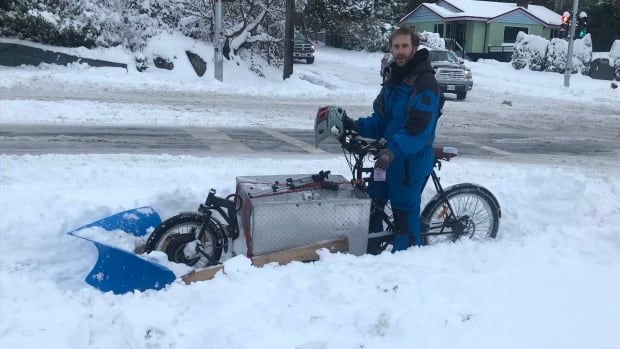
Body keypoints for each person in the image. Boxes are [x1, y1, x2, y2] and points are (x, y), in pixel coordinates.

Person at [343, 27, 443, 252]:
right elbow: (381, 120)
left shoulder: (425, 82)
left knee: (404, 218)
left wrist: (394, 148)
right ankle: (371, 250)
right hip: (387, 159)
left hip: (410, 161)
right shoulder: (394, 79)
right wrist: (354, 125)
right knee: (372, 204)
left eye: (405, 46)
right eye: (396, 46)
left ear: (414, 47)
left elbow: (420, 127)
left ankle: (405, 264)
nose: (400, 51)